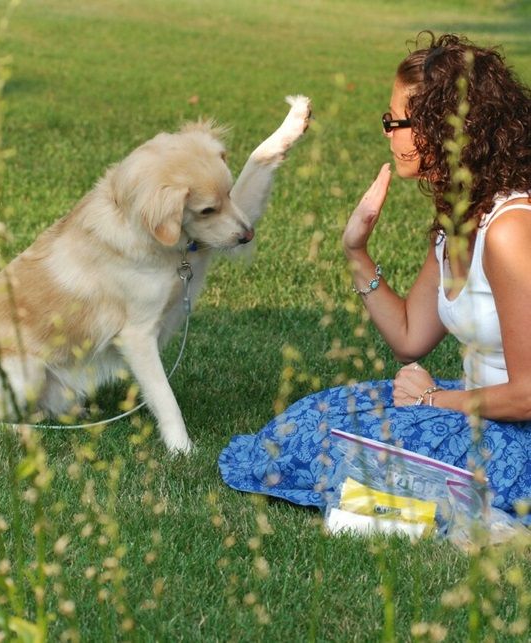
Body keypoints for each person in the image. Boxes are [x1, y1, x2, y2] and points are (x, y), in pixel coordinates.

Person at [219, 32, 531, 522]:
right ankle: (410, 511)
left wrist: (432, 399)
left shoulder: (511, 229)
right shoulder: (462, 215)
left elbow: (528, 394)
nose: (388, 133)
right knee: (313, 420)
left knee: (346, 448)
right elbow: (410, 337)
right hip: (475, 412)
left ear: (439, 129)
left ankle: (418, 515)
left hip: (517, 440)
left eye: (396, 122)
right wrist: (356, 250)